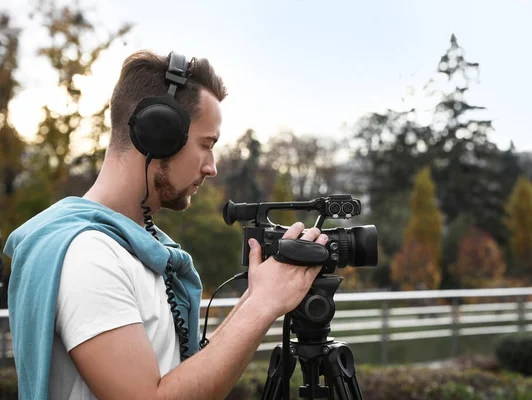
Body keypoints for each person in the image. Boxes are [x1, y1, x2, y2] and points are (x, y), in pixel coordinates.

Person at [3, 50, 328, 400]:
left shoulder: (140, 248)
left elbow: (178, 376)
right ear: (159, 134)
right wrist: (263, 307)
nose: (211, 167)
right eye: (206, 145)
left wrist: (257, 297)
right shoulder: (88, 255)